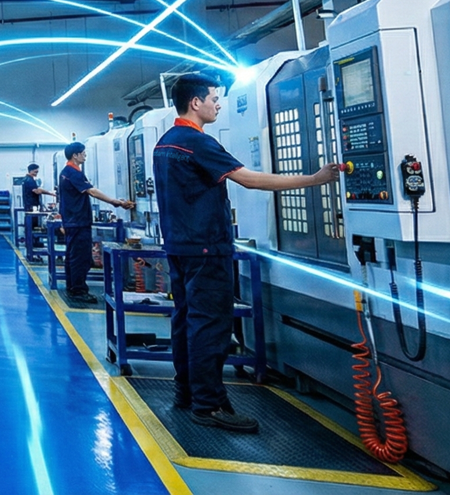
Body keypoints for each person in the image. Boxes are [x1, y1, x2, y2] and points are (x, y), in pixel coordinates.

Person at [155, 74, 339, 433]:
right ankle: (208, 406)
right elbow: (250, 179)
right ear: (196, 103)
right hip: (207, 249)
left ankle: (187, 393)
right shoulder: (196, 142)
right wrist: (314, 180)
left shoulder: (165, 142)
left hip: (179, 247)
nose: (218, 104)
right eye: (213, 98)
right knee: (210, 326)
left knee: (185, 321)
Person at [56, 141, 134, 303]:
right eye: (83, 153)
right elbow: (91, 190)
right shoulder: (73, 172)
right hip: (78, 221)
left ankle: (72, 287)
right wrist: (114, 201)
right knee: (81, 257)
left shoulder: (65, 172)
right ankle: (78, 291)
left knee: (72, 255)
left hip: (71, 220)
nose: (85, 155)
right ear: (75, 155)